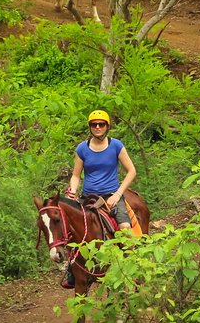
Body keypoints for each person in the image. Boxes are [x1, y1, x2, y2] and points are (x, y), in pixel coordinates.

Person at [61, 109, 137, 288]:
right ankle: (72, 270)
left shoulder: (116, 145)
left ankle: (129, 269)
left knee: (125, 229)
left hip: (112, 195)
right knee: (69, 230)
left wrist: (118, 194)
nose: (97, 127)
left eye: (101, 124)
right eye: (94, 124)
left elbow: (132, 171)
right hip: (88, 197)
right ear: (90, 127)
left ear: (107, 126)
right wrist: (72, 190)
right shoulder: (82, 148)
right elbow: (76, 175)